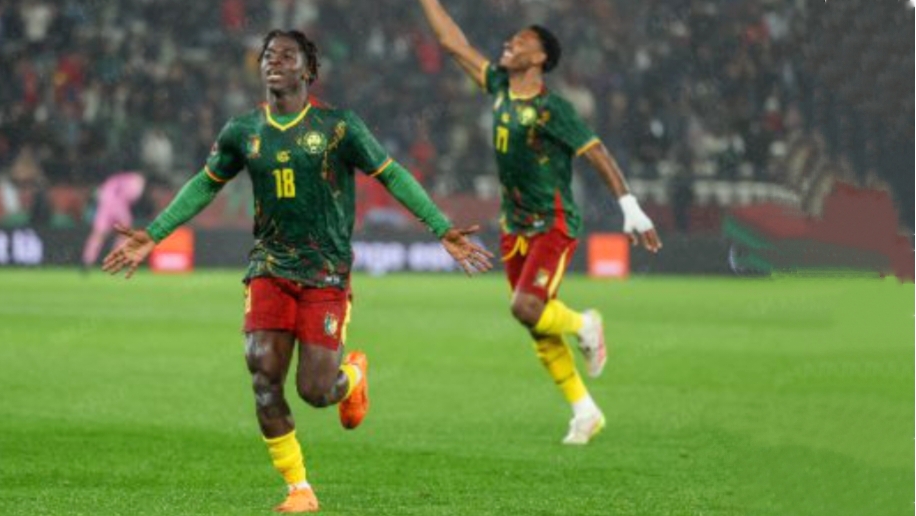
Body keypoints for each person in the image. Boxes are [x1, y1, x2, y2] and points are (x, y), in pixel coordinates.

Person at [103, 30, 492, 513]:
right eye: (269, 55)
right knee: (263, 376)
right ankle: (299, 489)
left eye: (286, 56)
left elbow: (391, 174)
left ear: (308, 70)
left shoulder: (338, 127)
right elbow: (205, 184)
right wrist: (154, 233)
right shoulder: (243, 131)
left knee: (315, 390)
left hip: (325, 272)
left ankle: (352, 376)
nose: (274, 62)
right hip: (269, 265)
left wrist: (441, 227)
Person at [418, 0, 662, 445]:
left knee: (526, 308)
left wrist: (629, 206)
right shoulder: (498, 85)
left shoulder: (553, 109)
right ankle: (585, 412)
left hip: (553, 223)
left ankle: (585, 324)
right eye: (511, 40)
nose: (510, 44)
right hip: (514, 225)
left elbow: (596, 152)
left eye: (521, 41)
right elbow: (452, 43)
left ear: (541, 57)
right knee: (535, 320)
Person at [81, 171, 147, 270]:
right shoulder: (136, 179)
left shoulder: (112, 179)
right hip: (119, 207)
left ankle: (87, 260)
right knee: (124, 233)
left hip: (104, 207)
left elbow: (100, 195)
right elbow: (133, 196)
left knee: (98, 235)